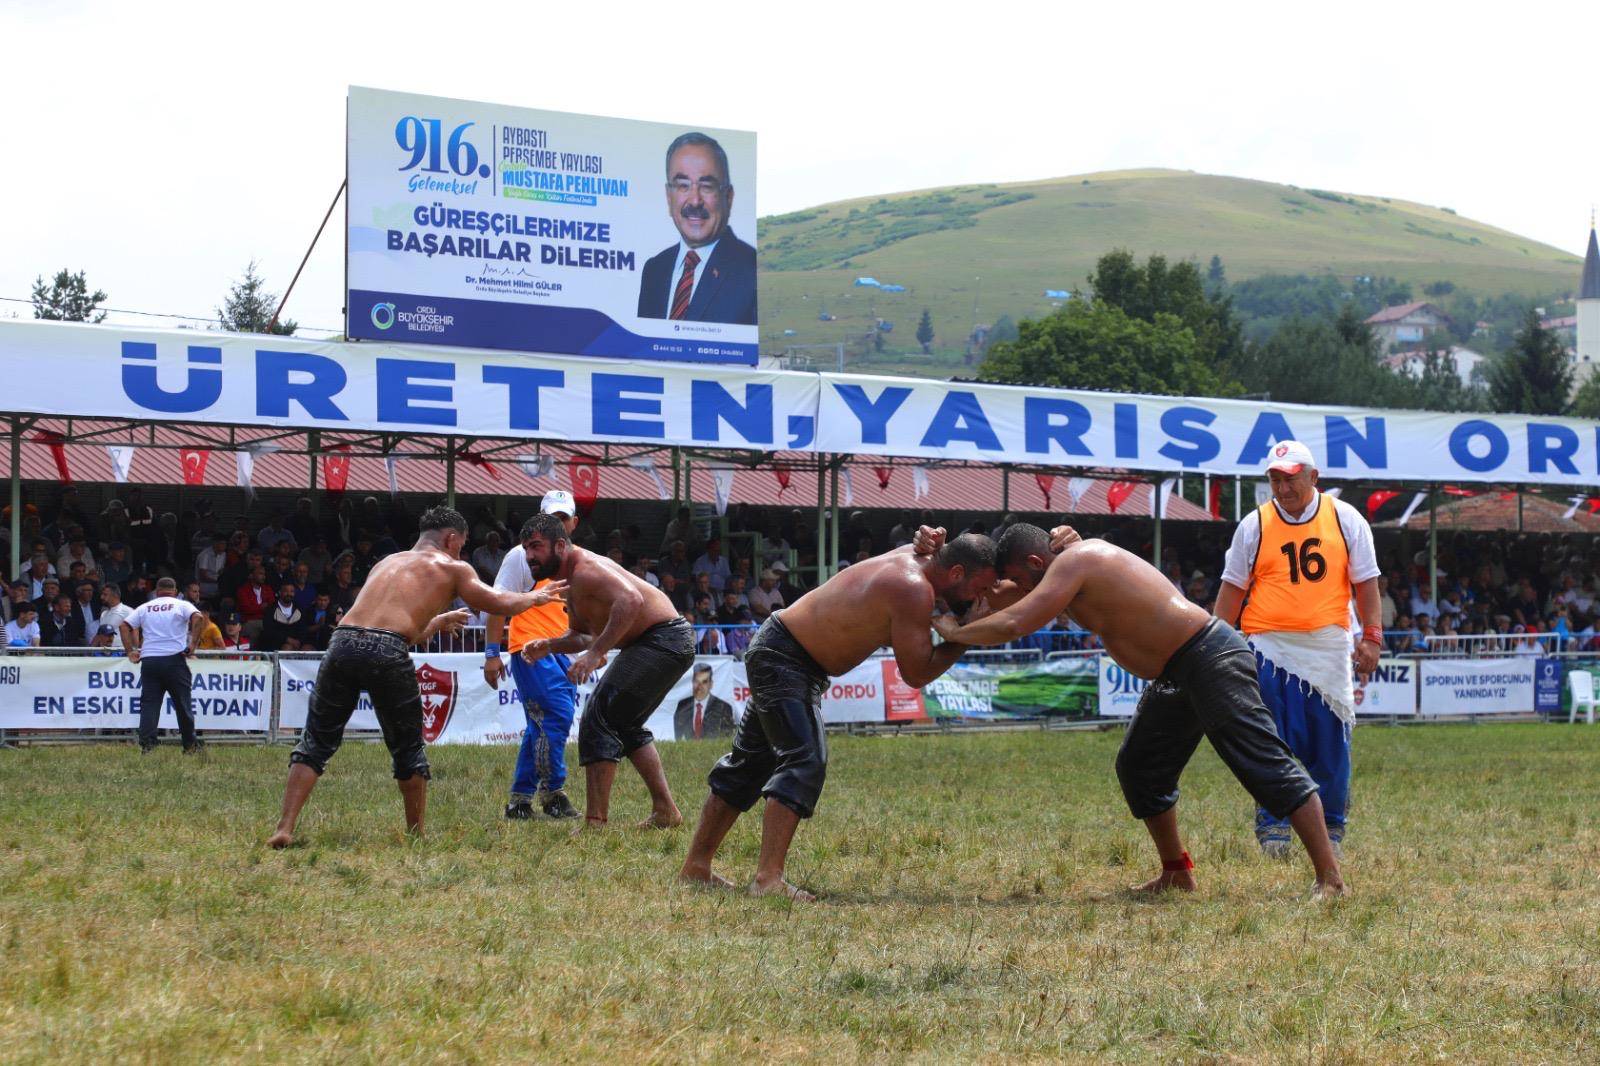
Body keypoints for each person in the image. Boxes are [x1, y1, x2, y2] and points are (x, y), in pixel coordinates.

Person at [926, 523, 1345, 898]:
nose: (1015, 586)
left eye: (1019, 577)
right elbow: (994, 598)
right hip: (1178, 671)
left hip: (1209, 655)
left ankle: (1331, 880)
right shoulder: (1053, 576)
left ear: (1036, 562)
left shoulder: (1079, 560)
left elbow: (1014, 623)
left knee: (1262, 762)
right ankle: (1177, 872)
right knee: (1140, 767)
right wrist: (931, 556)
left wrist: (955, 633)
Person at [679, 534, 997, 901]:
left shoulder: (916, 556)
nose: (981, 598)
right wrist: (965, 636)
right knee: (804, 759)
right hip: (786, 658)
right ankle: (767, 879)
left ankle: (696, 867)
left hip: (782, 651)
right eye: (980, 587)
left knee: (749, 764)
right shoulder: (914, 589)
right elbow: (917, 674)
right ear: (956, 571)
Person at [267, 506, 561, 849]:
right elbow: (496, 602)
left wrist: (435, 623)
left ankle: (285, 827)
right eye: (460, 546)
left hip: (342, 643)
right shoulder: (452, 566)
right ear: (451, 539)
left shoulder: (386, 563)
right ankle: (416, 834)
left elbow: (384, 624)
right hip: (387, 649)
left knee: (316, 740)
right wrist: (534, 597)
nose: (460, 552)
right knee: (407, 748)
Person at [1212, 441, 1381, 858]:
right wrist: (1214, 644)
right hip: (1267, 647)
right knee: (1270, 742)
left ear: (1313, 477)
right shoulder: (1255, 525)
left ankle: (1331, 830)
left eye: (1290, 479)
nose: (1282, 488)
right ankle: (1273, 826)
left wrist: (1372, 637)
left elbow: (1366, 584)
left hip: (1327, 646)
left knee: (1331, 744)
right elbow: (1232, 590)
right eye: (1274, 479)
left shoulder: (1345, 519)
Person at [517, 512, 695, 832]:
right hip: (659, 641)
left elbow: (630, 600)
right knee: (623, 724)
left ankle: (595, 823)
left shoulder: (586, 569)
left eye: (535, 547)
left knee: (598, 717)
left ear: (560, 545)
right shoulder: (570, 583)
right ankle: (666, 810)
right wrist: (549, 645)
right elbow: (582, 635)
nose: (529, 556)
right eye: (526, 548)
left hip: (665, 638)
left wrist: (596, 653)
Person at [483, 490, 584, 821]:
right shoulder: (521, 556)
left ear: (572, 523)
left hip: (561, 648)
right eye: (549, 518)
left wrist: (594, 647)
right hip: (529, 647)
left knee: (539, 725)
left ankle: (519, 801)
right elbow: (498, 603)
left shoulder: (575, 558)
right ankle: (553, 793)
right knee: (555, 715)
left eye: (561, 518)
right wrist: (491, 653)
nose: (556, 524)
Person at [636, 132, 756, 325]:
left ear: (728, 196)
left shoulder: (752, 271)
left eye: (707, 186)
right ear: (669, 196)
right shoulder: (654, 270)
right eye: (683, 185)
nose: (695, 200)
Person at [119, 577, 207, 754]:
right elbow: (198, 618)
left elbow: (123, 625)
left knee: (150, 705)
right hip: (174, 659)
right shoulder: (181, 605)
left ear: (157, 592)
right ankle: (189, 745)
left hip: (150, 660)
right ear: (175, 591)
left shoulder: (145, 607)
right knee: (182, 704)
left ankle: (147, 746)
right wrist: (193, 644)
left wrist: (130, 651)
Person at [675, 663, 735, 739]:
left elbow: (727, 738)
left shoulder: (724, 707)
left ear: (711, 684)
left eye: (704, 682)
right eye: (697, 681)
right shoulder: (682, 706)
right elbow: (677, 738)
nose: (699, 686)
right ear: (692, 682)